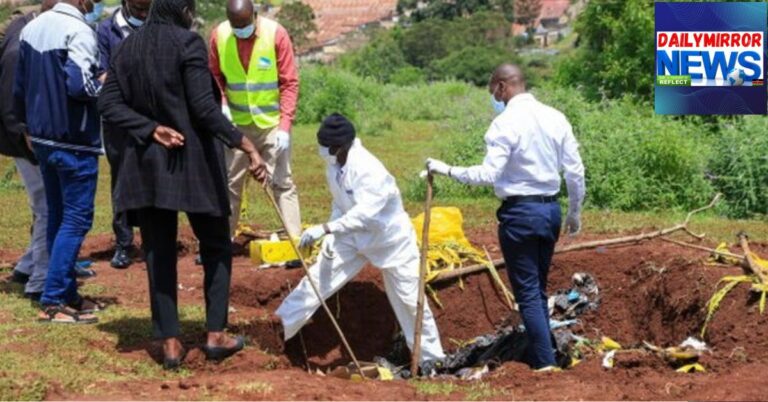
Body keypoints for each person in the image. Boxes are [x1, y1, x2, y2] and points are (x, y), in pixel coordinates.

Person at [98, 0, 268, 370]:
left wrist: (148, 128)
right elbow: (205, 111)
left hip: (147, 167)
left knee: (158, 252)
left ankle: (171, 343)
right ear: (183, 12)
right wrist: (245, 143)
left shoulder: (128, 46)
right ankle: (215, 334)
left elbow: (107, 104)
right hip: (192, 164)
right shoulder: (187, 44)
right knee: (217, 245)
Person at [426, 64, 586, 371]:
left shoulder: (504, 124)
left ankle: (545, 365)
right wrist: (574, 212)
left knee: (527, 293)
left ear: (502, 87)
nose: (494, 99)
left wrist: (445, 169)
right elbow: (575, 170)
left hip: (520, 215)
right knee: (536, 288)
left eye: (492, 93)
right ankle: (546, 352)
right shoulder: (556, 117)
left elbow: (488, 175)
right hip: (550, 211)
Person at [276, 113, 445, 364]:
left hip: (390, 241)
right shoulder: (334, 164)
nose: (322, 151)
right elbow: (340, 203)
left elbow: (365, 216)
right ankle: (275, 333)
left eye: (326, 147)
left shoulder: (368, 169)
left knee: (410, 300)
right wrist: (330, 237)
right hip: (350, 238)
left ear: (340, 146)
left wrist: (326, 228)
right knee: (315, 283)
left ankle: (431, 360)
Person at [14, 0, 105, 324]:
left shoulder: (32, 28)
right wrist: (107, 81)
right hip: (73, 140)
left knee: (57, 216)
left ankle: (66, 293)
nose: (94, 5)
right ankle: (53, 300)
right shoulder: (78, 30)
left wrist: (26, 126)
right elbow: (81, 85)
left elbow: (19, 88)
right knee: (76, 220)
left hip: (41, 138)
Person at [209, 0, 301, 240]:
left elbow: (289, 83)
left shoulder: (276, 34)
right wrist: (223, 103)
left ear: (255, 16)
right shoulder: (219, 36)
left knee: (282, 183)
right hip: (236, 126)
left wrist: (284, 126)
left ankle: (295, 242)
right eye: (235, 25)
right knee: (231, 184)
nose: (240, 30)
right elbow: (214, 76)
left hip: (271, 124)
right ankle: (222, 242)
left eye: (244, 24)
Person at [0, 0, 59, 301]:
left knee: (44, 205)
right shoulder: (18, 46)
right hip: (21, 139)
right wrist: (27, 137)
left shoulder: (27, 33)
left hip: (22, 136)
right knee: (47, 206)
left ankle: (27, 266)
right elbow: (11, 104)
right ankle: (39, 281)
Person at [97, 0, 152, 269]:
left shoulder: (156, 26)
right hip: (118, 121)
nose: (143, 15)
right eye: (139, 10)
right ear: (125, 4)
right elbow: (102, 75)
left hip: (151, 119)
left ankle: (153, 238)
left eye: (147, 10)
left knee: (152, 176)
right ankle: (124, 243)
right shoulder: (106, 31)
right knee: (121, 179)